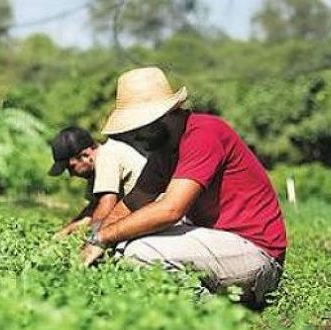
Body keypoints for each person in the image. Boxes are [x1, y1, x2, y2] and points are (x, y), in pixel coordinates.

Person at [81, 67, 287, 307]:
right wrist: (94, 240)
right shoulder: (163, 152)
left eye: (138, 129)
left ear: (164, 115)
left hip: (257, 255)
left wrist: (104, 237)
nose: (135, 138)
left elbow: (171, 210)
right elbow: (132, 202)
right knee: (123, 245)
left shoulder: (204, 133)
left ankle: (211, 316)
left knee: (139, 252)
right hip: (222, 247)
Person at [48, 126, 148, 236]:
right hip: (141, 217)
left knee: (119, 247)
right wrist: (66, 230)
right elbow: (93, 209)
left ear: (85, 155)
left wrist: (91, 239)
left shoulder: (107, 155)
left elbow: (106, 206)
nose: (71, 174)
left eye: (71, 167)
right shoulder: (97, 166)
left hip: (154, 218)